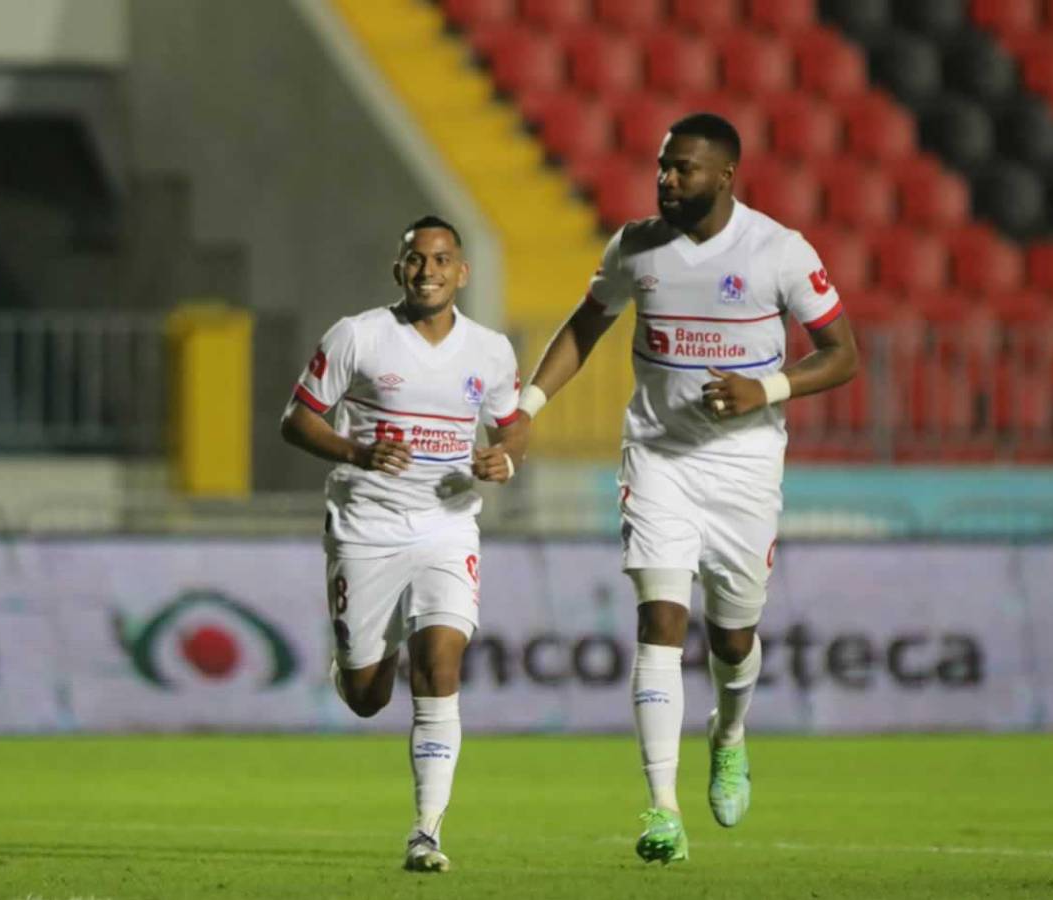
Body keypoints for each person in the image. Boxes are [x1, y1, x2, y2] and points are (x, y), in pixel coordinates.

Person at [517, 114, 859, 864]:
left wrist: (765, 388)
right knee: (659, 622)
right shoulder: (635, 246)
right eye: (663, 167)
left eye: (683, 170)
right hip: (658, 456)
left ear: (726, 175)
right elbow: (585, 325)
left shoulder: (780, 252)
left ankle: (729, 733)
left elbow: (842, 355)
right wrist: (528, 407)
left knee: (733, 635)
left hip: (743, 467)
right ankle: (661, 809)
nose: (666, 180)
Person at [280, 215, 527, 873]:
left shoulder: (491, 350)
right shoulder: (358, 337)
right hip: (366, 527)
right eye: (416, 261)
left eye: (441, 260)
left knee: (440, 665)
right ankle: (358, 662)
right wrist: (358, 451)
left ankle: (426, 832)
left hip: (447, 528)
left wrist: (504, 459)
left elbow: (510, 426)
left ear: (461, 272)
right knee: (366, 696)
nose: (428, 272)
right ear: (399, 270)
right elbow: (296, 419)